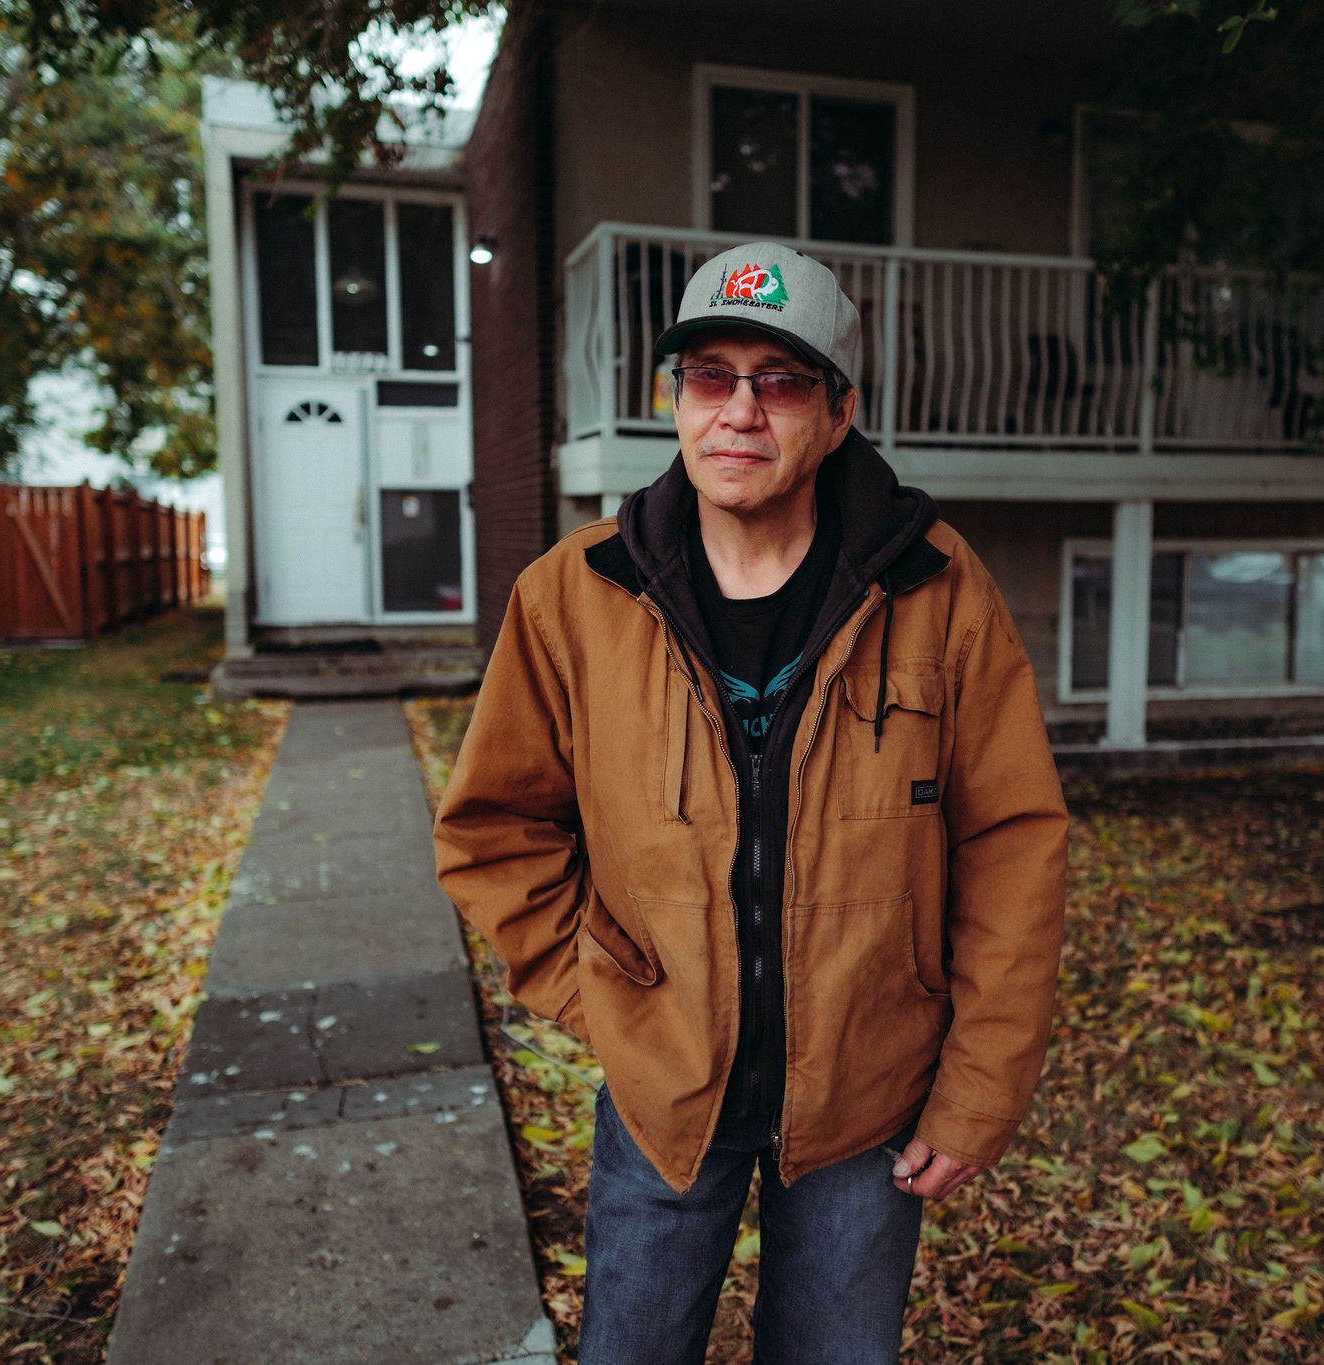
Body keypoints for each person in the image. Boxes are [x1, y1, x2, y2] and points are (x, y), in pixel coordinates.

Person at [433, 241, 1067, 1364]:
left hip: (868, 1103)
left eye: (777, 381)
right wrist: (606, 996)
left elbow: (1011, 845)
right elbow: (494, 830)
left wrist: (975, 1093)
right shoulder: (574, 597)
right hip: (662, 1099)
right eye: (708, 377)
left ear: (836, 413)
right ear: (674, 402)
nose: (738, 411)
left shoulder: (934, 587)